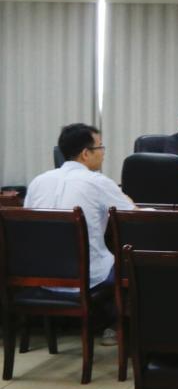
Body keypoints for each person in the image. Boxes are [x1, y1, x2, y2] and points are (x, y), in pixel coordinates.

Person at [25, 124, 134, 345]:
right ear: (86, 153)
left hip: (42, 277)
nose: (103, 152)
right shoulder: (98, 182)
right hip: (88, 278)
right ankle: (118, 326)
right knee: (133, 264)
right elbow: (132, 215)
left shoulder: (38, 181)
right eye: (100, 147)